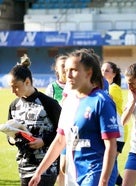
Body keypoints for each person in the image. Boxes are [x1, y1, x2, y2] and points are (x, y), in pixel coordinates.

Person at [29, 48, 120, 186]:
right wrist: (39, 172)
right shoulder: (69, 101)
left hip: (96, 172)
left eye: (74, 70)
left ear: (88, 73)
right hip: (74, 173)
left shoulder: (102, 101)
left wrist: (103, 180)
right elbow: (60, 140)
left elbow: (111, 145)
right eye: (66, 70)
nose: (68, 75)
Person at [7, 54, 62, 186]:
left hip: (47, 167)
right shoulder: (14, 106)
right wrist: (12, 138)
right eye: (10, 86)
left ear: (27, 82)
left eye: (16, 86)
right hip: (24, 166)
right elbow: (9, 134)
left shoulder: (50, 104)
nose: (12, 91)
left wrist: (43, 141)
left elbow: (63, 133)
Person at [101, 61, 128, 186]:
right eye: (102, 70)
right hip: (109, 130)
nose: (103, 72)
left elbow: (103, 99)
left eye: (107, 70)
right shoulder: (105, 87)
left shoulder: (114, 88)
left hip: (118, 131)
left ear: (114, 74)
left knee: (109, 165)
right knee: (110, 164)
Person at [45, 54, 67, 186]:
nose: (65, 69)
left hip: (77, 133)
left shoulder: (78, 86)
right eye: (62, 66)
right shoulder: (52, 88)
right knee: (61, 169)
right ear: (56, 69)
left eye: (67, 65)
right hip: (58, 134)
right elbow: (46, 113)